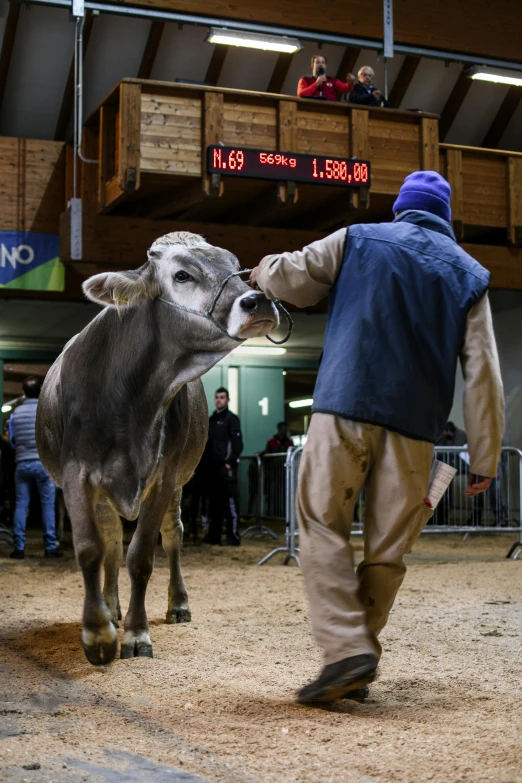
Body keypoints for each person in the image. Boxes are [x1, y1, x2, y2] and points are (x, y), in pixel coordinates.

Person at [250, 170, 504, 705]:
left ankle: (346, 651)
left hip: (345, 404)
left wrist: (263, 271)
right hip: (416, 430)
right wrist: (485, 456)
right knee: (387, 553)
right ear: (446, 217)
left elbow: (292, 277)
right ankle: (360, 654)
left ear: (402, 208)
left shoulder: (358, 238)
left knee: (321, 524)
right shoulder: (470, 274)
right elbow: (483, 372)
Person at [8, 377, 62, 559]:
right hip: (42, 464)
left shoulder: (15, 414)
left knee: (21, 506)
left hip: (22, 464)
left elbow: (13, 441)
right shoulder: (46, 410)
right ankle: (49, 547)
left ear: (23, 392)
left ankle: (19, 548)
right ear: (40, 392)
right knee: (48, 506)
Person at [203, 387, 244, 547]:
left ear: (227, 400)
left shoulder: (232, 419)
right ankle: (214, 536)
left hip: (227, 470)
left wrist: (230, 461)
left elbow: (237, 444)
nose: (219, 400)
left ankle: (233, 537)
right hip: (212, 471)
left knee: (230, 504)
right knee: (214, 505)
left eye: (222, 397)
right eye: (217, 397)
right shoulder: (211, 420)